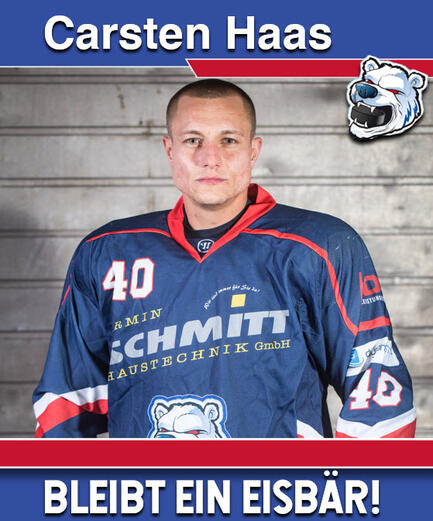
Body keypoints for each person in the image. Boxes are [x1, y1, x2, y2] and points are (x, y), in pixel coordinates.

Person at [33, 79, 416, 438]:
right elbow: (66, 403)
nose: (210, 158)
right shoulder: (106, 252)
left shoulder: (321, 245)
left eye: (228, 140)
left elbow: (377, 388)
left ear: (253, 151)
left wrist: (351, 485)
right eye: (193, 140)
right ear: (170, 150)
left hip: (280, 487)